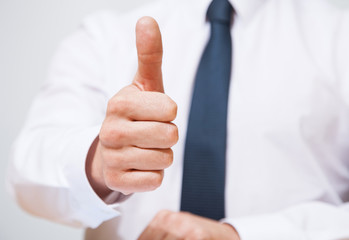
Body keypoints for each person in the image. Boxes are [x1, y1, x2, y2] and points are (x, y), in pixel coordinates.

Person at [7, 0, 349, 239]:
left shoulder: (339, 38)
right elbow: (26, 174)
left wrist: (244, 236)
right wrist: (98, 161)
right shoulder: (102, 38)